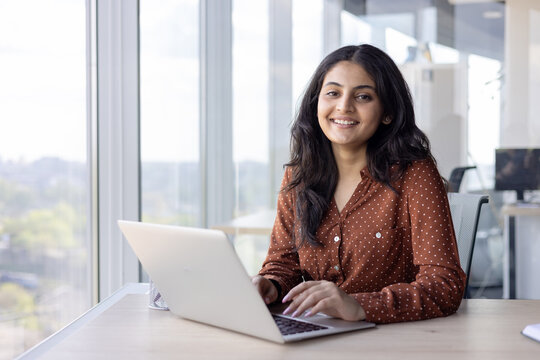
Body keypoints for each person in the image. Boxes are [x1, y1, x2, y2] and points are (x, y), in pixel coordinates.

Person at [251, 44, 466, 324]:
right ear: (317, 102)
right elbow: (284, 263)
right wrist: (270, 285)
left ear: (387, 112)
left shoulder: (415, 175)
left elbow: (444, 285)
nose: (344, 106)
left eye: (363, 96)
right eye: (333, 93)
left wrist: (359, 305)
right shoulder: (299, 176)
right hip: (316, 332)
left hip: (393, 339)